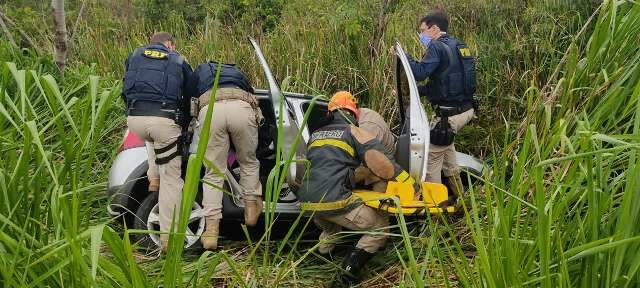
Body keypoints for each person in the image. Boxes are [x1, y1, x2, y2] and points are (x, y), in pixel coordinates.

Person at [297, 91, 416, 287]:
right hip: (334, 200)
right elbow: (385, 166)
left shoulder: (315, 135)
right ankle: (345, 277)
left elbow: (326, 166)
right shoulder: (353, 132)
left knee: (331, 229)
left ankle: (318, 261)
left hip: (307, 203)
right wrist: (410, 182)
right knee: (380, 229)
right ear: (354, 113)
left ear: (330, 113)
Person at [122, 32, 193, 248]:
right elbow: (189, 95)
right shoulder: (178, 60)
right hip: (163, 120)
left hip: (134, 119)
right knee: (172, 179)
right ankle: (168, 239)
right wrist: (183, 123)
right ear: (170, 44)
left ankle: (153, 178)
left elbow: (126, 88)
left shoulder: (134, 55)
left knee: (153, 137)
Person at [406, 11, 477, 205]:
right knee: (448, 155)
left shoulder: (437, 46)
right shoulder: (458, 46)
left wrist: (404, 56)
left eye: (422, 30)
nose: (421, 35)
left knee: (430, 160)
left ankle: (436, 210)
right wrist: (415, 92)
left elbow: (420, 73)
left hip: (449, 115)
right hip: (465, 110)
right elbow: (444, 84)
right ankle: (462, 200)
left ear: (434, 28)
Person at [191, 61, 263, 250]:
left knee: (213, 173)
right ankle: (251, 213)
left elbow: (190, 94)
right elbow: (252, 93)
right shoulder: (237, 72)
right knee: (248, 162)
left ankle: (211, 232)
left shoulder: (201, 70)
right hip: (241, 107)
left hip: (210, 109)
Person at [354, 107, 395, 192]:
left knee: (340, 174)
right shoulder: (358, 115)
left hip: (381, 167)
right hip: (372, 161)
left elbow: (361, 154)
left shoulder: (368, 125)